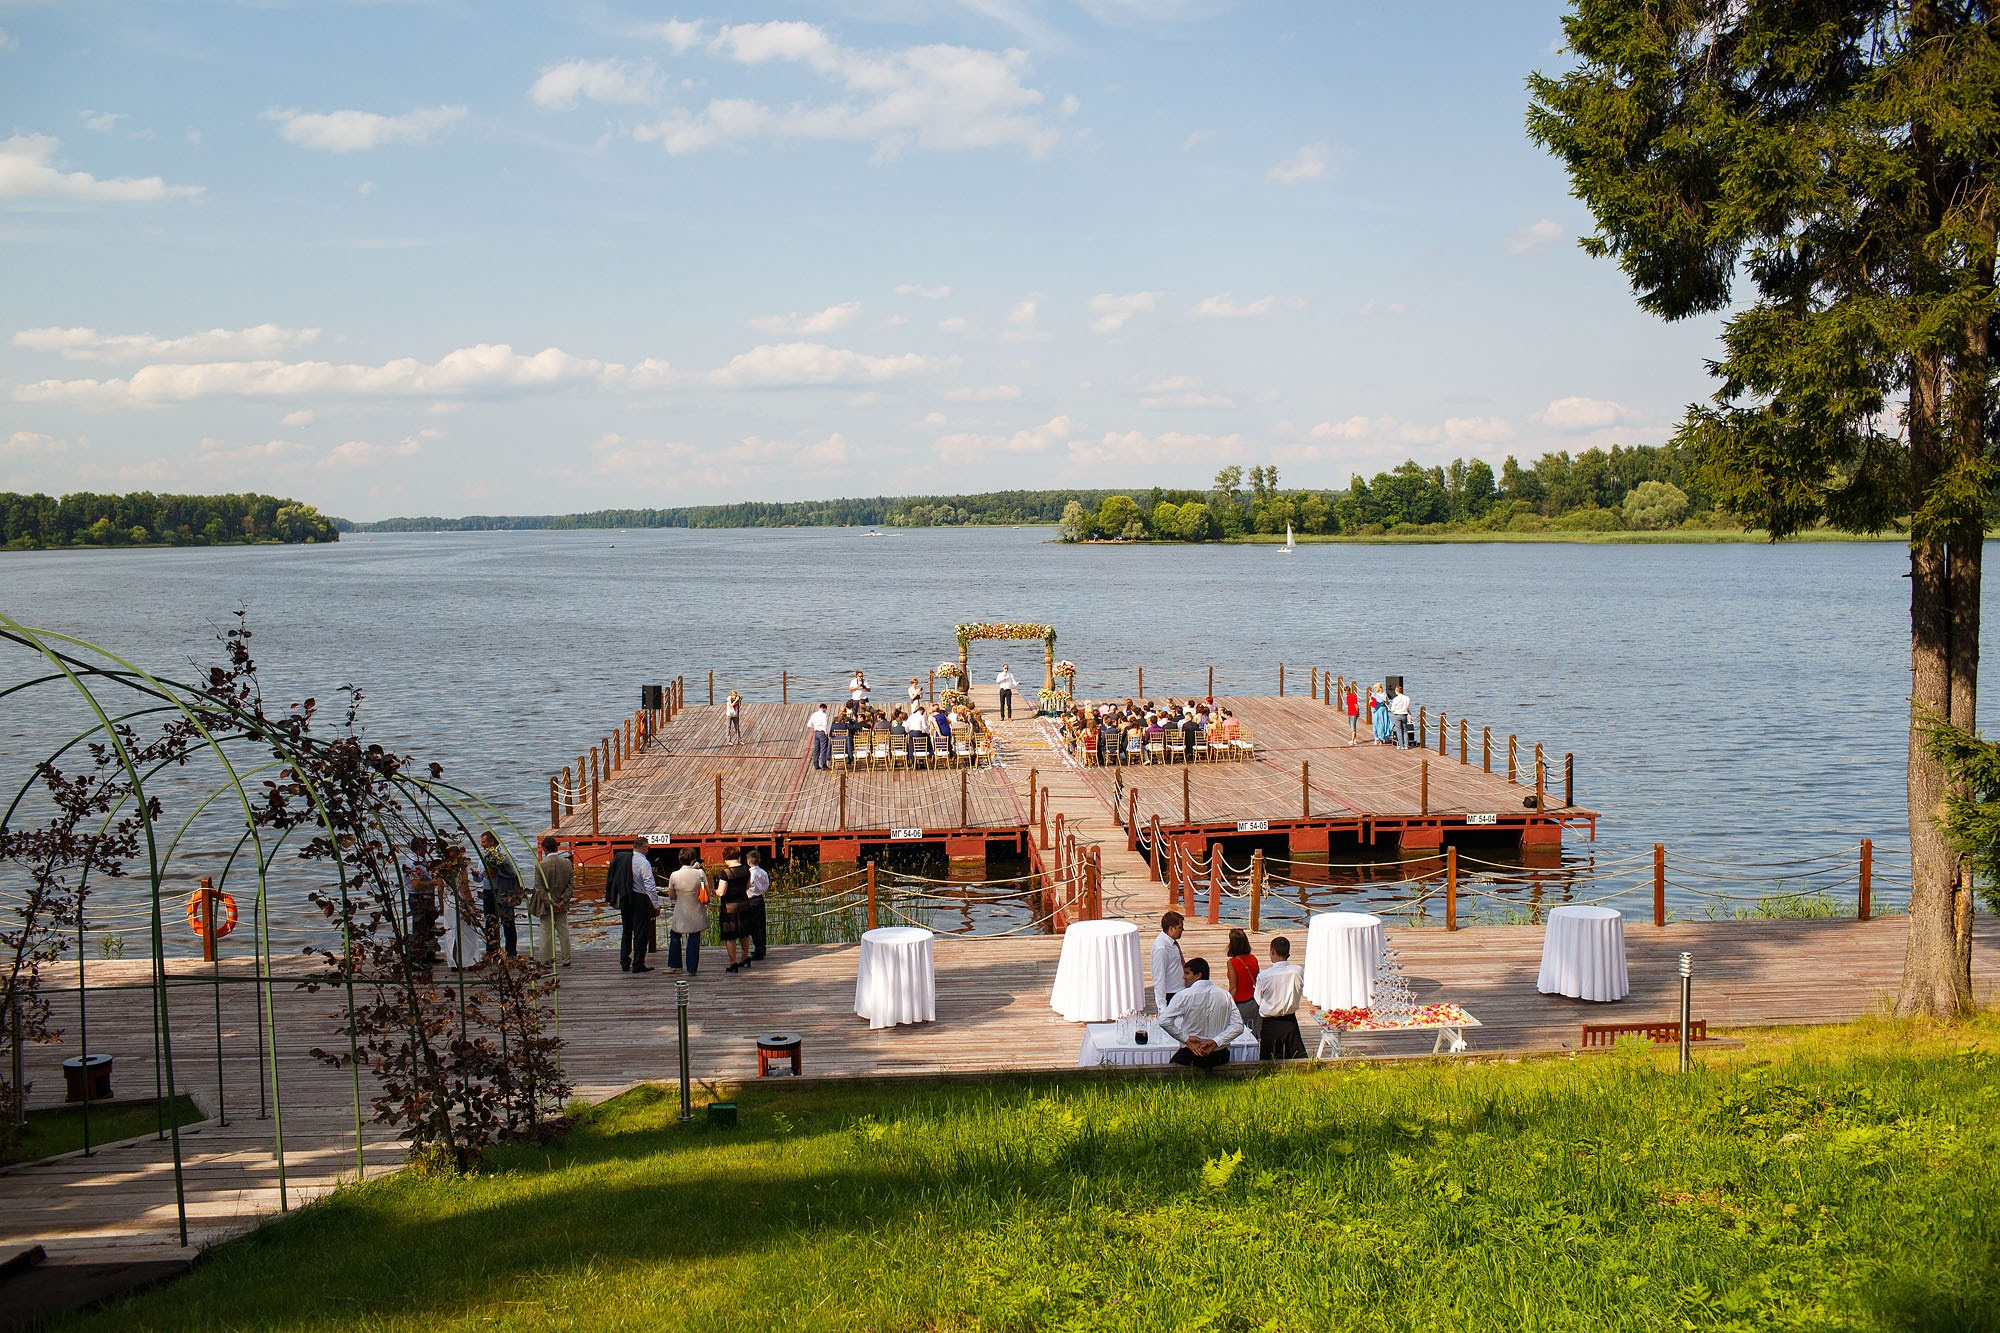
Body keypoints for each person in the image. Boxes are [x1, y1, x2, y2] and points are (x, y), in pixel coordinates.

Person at [1158, 958, 1245, 1069]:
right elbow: (1238, 1026)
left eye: (1187, 973)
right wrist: (1216, 1041)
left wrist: (1186, 1039)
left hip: (1190, 1056)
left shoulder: (1183, 996)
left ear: (1198, 975)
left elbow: (1164, 1021)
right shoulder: (1225, 995)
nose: (1184, 977)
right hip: (1219, 1056)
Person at [1254, 936, 1307, 1060]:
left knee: (1268, 1061)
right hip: (1290, 1019)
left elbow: (1258, 999)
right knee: (1297, 1058)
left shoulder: (1264, 975)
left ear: (1272, 951)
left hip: (1270, 1022)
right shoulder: (1297, 971)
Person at [477, 830, 521, 958]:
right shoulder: (485, 855)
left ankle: (511, 951)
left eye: (484, 842)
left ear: (492, 841)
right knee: (490, 921)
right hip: (488, 891)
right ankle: (492, 951)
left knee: (507, 921)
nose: (481, 844)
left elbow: (515, 871)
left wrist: (498, 871)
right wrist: (477, 876)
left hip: (502, 891)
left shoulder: (504, 853)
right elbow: (481, 876)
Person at [531, 836, 574, 966]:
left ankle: (546, 960)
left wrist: (550, 902)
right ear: (556, 847)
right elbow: (571, 886)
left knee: (546, 933)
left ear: (544, 849)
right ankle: (566, 958)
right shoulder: (567, 864)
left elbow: (539, 888)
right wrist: (563, 901)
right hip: (562, 904)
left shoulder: (541, 866)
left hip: (546, 905)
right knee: (563, 931)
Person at [665, 849, 708, 976]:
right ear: (693, 860)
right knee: (694, 938)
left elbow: (672, 896)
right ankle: (692, 968)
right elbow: (706, 889)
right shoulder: (700, 873)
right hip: (696, 909)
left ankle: (675, 965)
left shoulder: (674, 875)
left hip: (681, 909)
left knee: (675, 935)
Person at [617, 836, 657, 973]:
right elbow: (649, 885)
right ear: (643, 847)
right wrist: (655, 904)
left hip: (625, 897)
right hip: (639, 898)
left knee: (627, 930)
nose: (648, 849)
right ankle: (638, 962)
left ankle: (624, 960)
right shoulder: (644, 863)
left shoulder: (625, 859)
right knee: (640, 932)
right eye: (647, 847)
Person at [401, 836, 441, 967]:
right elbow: (415, 885)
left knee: (429, 926)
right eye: (425, 846)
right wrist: (433, 883)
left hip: (426, 898)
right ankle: (417, 958)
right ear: (419, 848)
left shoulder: (422, 861)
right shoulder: (414, 862)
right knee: (420, 928)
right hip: (419, 898)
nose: (427, 849)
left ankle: (429, 955)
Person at [718, 846, 754, 972]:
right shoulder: (746, 869)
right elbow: (748, 886)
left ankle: (733, 962)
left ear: (726, 858)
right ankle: (744, 957)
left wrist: (714, 891)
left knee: (730, 935)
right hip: (744, 904)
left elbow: (721, 892)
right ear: (738, 857)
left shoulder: (725, 872)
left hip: (730, 908)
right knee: (744, 933)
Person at [1225, 927, 1260, 1038]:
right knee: (1253, 1034)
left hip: (1240, 1004)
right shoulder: (1253, 958)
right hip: (1254, 1002)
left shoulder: (1232, 962)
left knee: (1239, 1035)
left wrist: (1227, 1005)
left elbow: (1233, 988)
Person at [1151, 910, 1187, 1012]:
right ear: (1171, 928)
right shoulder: (1161, 948)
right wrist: (1162, 1007)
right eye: (1180, 928)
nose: (1182, 930)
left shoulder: (1172, 944)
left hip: (1180, 991)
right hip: (1171, 995)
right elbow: (1159, 977)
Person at [746, 848, 770, 961]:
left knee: (754, 926)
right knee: (761, 925)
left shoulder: (750, 874)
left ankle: (758, 950)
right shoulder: (763, 872)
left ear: (749, 861)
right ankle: (762, 948)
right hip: (760, 898)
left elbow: (747, 887)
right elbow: (766, 885)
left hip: (751, 900)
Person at [808, 702, 833, 770]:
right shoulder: (824, 715)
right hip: (822, 732)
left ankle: (816, 765)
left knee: (816, 749)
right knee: (823, 749)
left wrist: (815, 726)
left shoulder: (814, 714)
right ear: (824, 709)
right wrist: (826, 732)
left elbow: (809, 724)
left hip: (816, 732)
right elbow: (825, 724)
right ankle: (824, 765)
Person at [1389, 685, 1412, 750]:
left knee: (1399, 730)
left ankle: (1401, 745)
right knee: (1405, 730)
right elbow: (1407, 707)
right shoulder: (1407, 698)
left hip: (1397, 715)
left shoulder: (1395, 699)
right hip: (1404, 715)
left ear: (1397, 691)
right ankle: (1406, 745)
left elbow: (1393, 709)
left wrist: (1392, 710)